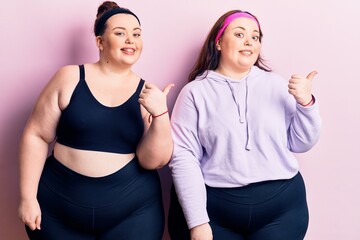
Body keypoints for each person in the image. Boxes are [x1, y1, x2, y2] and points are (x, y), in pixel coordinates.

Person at [18, 1, 174, 239]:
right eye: (120, 33)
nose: (130, 40)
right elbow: (36, 135)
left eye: (136, 34)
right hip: (59, 209)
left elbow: (154, 161)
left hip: (132, 212)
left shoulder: (148, 93)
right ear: (100, 42)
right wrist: (27, 198)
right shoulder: (69, 77)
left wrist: (161, 114)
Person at [168, 9, 321, 240]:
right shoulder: (194, 93)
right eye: (239, 34)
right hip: (217, 210)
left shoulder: (276, 85)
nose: (249, 41)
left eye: (255, 36)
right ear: (218, 42)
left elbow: (301, 143)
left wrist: (306, 104)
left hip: (281, 209)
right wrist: (198, 222)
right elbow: (183, 157)